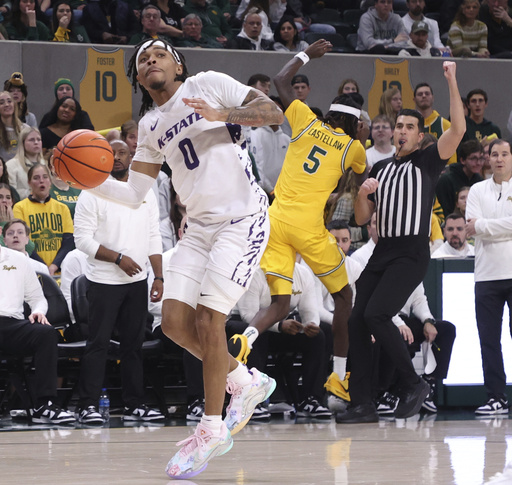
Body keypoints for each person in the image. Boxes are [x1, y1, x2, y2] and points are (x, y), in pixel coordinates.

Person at [89, 38, 282, 478]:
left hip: (242, 218)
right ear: (139, 78)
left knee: (209, 320)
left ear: (177, 64)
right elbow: (135, 193)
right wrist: (87, 180)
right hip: (197, 229)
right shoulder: (152, 124)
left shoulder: (208, 84)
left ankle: (212, 427)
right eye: (142, 59)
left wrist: (225, 116)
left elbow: (273, 113)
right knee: (174, 323)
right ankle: (243, 380)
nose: (151, 59)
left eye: (159, 54)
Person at [228, 40, 367, 417]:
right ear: (355, 123)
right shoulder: (352, 147)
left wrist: (308, 54)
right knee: (344, 298)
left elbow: (279, 78)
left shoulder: (305, 119)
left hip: (275, 220)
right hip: (308, 227)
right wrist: (361, 135)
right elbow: (361, 173)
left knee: (279, 302)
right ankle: (338, 378)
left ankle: (247, 338)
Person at [336, 61, 465, 424]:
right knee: (357, 319)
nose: (402, 131)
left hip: (410, 252)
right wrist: (363, 193)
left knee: (377, 313)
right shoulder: (379, 169)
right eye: (399, 126)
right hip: (383, 251)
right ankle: (362, 403)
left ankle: (412, 384)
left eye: (410, 127)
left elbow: (458, 129)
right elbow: (362, 218)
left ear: (421, 136)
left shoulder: (427, 160)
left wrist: (452, 80)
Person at [73, 139, 165, 425]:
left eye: (122, 152)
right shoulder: (91, 191)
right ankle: (87, 405)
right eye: (110, 153)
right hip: (102, 281)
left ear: (131, 157)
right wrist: (118, 258)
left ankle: (134, 404)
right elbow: (82, 240)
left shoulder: (145, 193)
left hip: (137, 282)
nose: (115, 157)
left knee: (133, 345)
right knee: (97, 344)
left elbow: (154, 235)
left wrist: (158, 275)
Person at [0, 243, 76, 424]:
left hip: (12, 323)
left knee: (45, 333)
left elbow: (37, 298)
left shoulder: (18, 259)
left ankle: (45, 405)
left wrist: (39, 311)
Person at [466, 138, 512, 415]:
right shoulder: (476, 190)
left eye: (505, 154)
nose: (499, 159)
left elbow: (480, 226)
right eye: (494, 154)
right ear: (487, 159)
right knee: (489, 340)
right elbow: (472, 227)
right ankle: (496, 397)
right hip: (486, 276)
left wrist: (485, 226)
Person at [13, 163, 74, 274]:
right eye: (36, 178)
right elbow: (23, 241)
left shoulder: (62, 208)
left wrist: (54, 265)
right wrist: (42, 267)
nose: (41, 181)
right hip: (32, 269)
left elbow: (68, 241)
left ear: (50, 182)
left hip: (59, 270)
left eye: (45, 177)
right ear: (29, 183)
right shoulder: (19, 208)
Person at [436, 139, 484, 218]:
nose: (478, 163)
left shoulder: (480, 181)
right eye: (473, 159)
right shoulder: (446, 180)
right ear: (462, 160)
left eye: (481, 158)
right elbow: (445, 211)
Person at [413, 83, 457, 166]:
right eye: (420, 94)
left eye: (427, 93)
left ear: (432, 98)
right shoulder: (410, 125)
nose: (424, 96)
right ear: (414, 99)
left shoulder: (445, 125)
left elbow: (452, 160)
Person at [6, 126, 45, 200]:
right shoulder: (11, 165)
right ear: (22, 143)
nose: (36, 142)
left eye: (39, 139)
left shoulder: (45, 164)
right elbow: (11, 193)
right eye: (31, 140)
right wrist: (35, 193)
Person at [0, 91, 28, 162]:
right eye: (1, 103)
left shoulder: (25, 129)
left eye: (9, 101)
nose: (6, 104)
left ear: (14, 104)